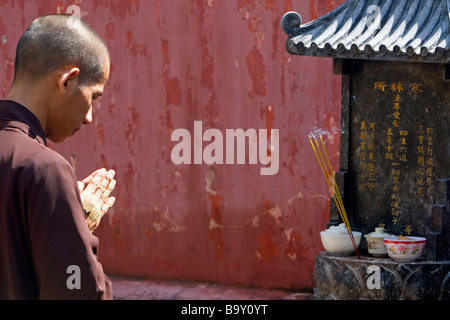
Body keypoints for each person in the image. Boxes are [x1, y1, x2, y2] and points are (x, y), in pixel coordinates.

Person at [0, 14, 116, 299]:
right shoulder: (45, 169)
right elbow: (78, 290)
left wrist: (62, 221)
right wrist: (73, 223)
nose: (89, 117)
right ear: (67, 81)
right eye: (94, 97)